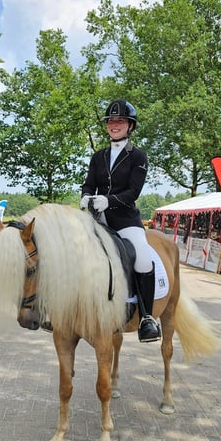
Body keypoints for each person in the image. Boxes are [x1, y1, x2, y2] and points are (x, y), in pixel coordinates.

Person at [79, 99, 161, 342]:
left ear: (130, 126)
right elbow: (89, 183)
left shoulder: (138, 156)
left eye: (120, 121)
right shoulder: (98, 156)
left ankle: (147, 318)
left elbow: (133, 192)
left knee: (143, 259)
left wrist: (109, 200)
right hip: (97, 219)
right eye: (111, 121)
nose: (115, 125)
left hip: (125, 220)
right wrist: (85, 197)